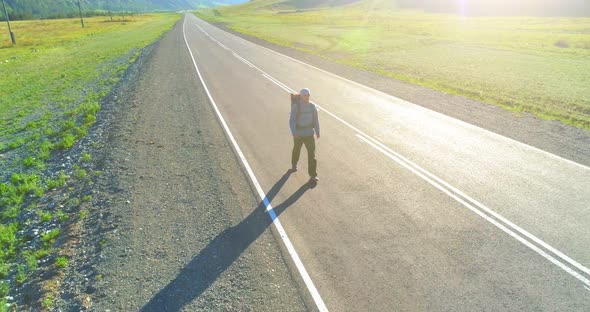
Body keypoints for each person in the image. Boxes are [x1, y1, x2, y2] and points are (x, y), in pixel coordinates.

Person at [289, 88, 320, 182]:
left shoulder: (312, 106)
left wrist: (317, 131)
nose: (307, 97)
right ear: (301, 96)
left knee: (312, 155)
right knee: (296, 150)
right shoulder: (296, 106)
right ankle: (294, 164)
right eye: (305, 95)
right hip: (299, 134)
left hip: (309, 134)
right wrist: (294, 133)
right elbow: (292, 121)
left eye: (308, 95)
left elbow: (316, 120)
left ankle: (313, 175)